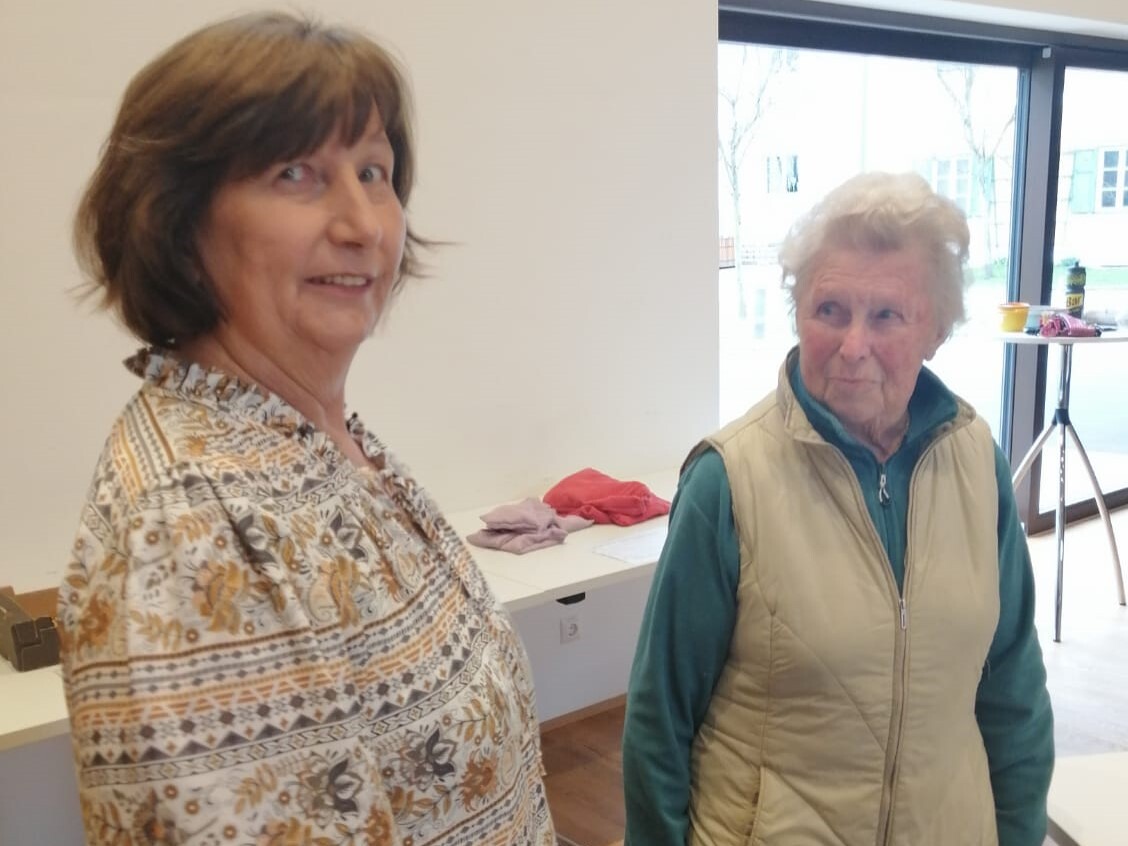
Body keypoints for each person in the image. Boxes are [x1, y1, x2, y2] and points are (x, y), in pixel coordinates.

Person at [58, 12, 555, 845]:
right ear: (178, 220)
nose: (364, 224)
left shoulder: (318, 438)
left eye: (374, 172)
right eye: (296, 173)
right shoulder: (187, 527)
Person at [622, 172, 1054, 845]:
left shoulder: (976, 463)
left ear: (936, 329)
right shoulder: (728, 481)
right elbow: (659, 723)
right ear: (798, 314)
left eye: (886, 316)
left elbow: (1013, 693)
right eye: (830, 310)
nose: (853, 346)